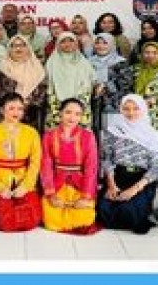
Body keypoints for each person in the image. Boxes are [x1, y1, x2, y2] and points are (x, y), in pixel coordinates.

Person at [97, 95, 158, 234]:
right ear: (121, 110)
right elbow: (107, 158)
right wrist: (111, 185)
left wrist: (134, 189)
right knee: (103, 209)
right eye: (126, 109)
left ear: (143, 110)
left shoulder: (152, 135)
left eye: (135, 108)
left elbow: (156, 167)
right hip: (118, 176)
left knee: (130, 210)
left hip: (141, 179)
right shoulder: (113, 131)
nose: (131, 113)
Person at [0, 93, 43, 232]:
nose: (16, 112)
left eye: (20, 109)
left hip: (23, 178)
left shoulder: (32, 133)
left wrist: (25, 186)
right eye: (11, 108)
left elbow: (35, 162)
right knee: (5, 222)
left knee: (33, 219)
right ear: (2, 110)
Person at [40, 98, 99, 234]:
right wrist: (51, 194)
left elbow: (91, 168)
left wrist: (86, 196)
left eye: (77, 114)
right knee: (51, 220)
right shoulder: (49, 136)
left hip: (80, 184)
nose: (72, 118)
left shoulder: (88, 136)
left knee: (84, 219)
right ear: (60, 113)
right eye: (68, 112)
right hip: (56, 184)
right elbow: (45, 166)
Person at [0, 34, 48, 131]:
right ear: (9, 49)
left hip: (32, 114)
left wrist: (27, 103)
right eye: (14, 45)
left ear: (28, 48)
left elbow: (42, 90)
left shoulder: (37, 67)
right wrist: (15, 104)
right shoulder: (2, 67)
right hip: (7, 113)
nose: (18, 48)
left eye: (22, 45)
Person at [45, 32, 95, 129]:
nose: (67, 44)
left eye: (71, 41)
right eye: (63, 41)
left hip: (81, 107)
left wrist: (77, 106)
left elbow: (88, 87)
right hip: (56, 107)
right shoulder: (51, 63)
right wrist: (57, 109)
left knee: (80, 136)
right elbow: (49, 87)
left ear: (76, 43)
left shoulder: (84, 63)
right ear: (58, 44)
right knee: (56, 136)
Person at [89, 33, 131, 135]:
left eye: (105, 43)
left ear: (112, 44)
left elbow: (126, 82)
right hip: (94, 104)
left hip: (114, 104)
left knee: (113, 134)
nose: (101, 46)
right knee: (95, 133)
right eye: (97, 43)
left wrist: (106, 86)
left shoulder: (120, 62)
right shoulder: (89, 62)